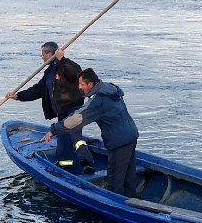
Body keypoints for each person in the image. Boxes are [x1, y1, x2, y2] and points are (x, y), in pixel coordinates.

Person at [43, 68, 139, 197]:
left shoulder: (98, 100)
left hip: (119, 142)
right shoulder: (110, 88)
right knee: (129, 175)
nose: (79, 87)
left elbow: (76, 120)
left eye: (82, 84)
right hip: (131, 135)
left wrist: (53, 130)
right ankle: (131, 199)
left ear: (90, 84)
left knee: (115, 180)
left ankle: (118, 207)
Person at [6, 42, 94, 174]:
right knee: (63, 140)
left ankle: (87, 163)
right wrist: (18, 96)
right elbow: (38, 89)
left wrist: (62, 59)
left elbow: (75, 71)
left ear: (49, 53)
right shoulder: (49, 71)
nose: (42, 58)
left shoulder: (66, 66)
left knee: (74, 135)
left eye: (43, 54)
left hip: (74, 109)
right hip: (62, 111)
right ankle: (65, 167)